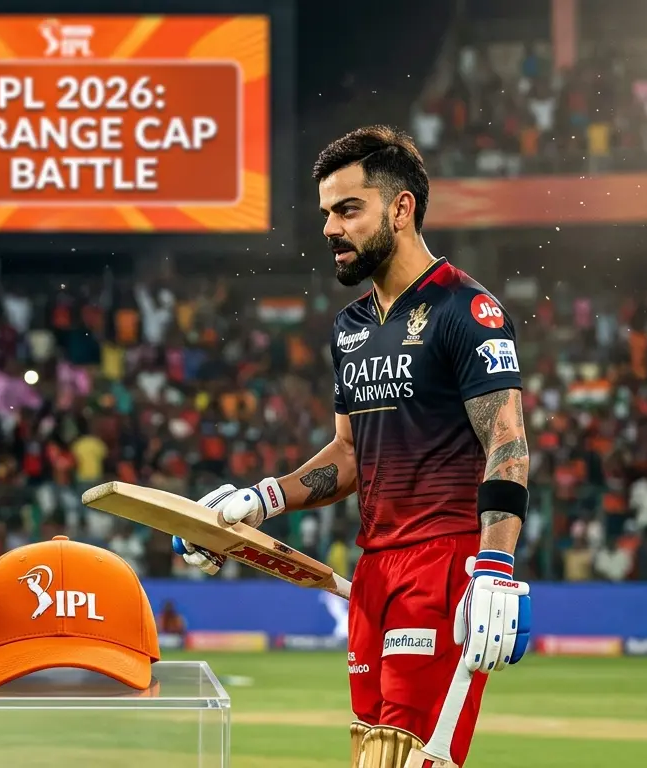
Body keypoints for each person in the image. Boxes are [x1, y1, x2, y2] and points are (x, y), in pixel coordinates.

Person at [171, 126, 532, 768]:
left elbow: (506, 441)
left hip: (443, 566)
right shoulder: (351, 326)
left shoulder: (467, 309)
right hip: (374, 572)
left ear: (401, 208)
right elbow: (347, 455)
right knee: (371, 756)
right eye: (325, 214)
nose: (331, 229)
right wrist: (259, 501)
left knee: (409, 759)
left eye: (348, 209)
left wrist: (496, 570)